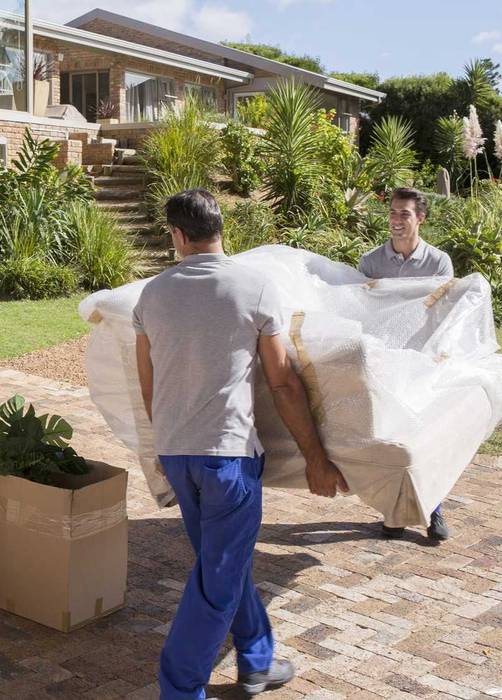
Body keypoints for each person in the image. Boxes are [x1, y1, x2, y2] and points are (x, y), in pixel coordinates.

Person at [134, 189, 348, 699]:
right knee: (217, 582)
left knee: (223, 563)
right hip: (227, 458)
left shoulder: (151, 294)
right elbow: (283, 382)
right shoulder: (253, 287)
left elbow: (149, 383)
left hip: (178, 454)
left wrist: (162, 449)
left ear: (178, 236)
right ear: (220, 229)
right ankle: (181, 690)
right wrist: (316, 458)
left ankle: (256, 660)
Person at [358, 187, 454, 542]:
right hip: (383, 362)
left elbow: (439, 313)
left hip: (421, 361)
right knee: (392, 438)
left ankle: (434, 510)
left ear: (421, 219)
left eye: (405, 215)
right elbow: (364, 310)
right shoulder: (371, 262)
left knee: (424, 435)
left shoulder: (438, 262)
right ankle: (394, 513)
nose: (397, 221)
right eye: (393, 213)